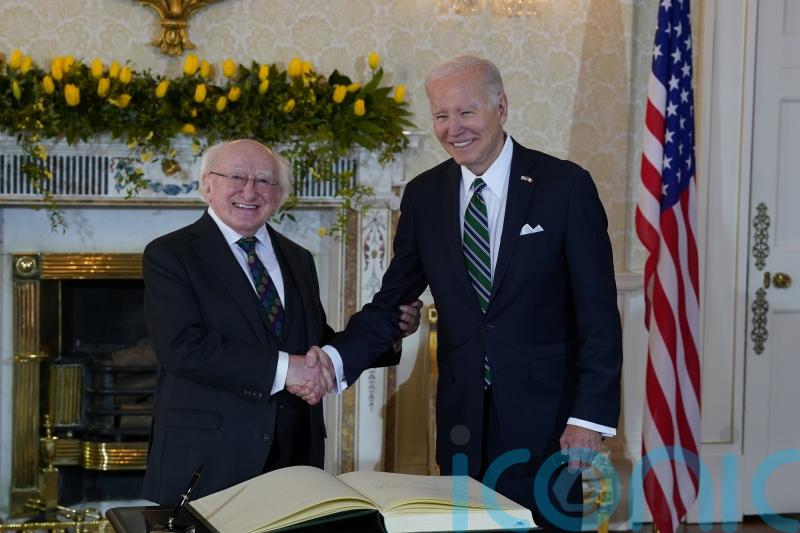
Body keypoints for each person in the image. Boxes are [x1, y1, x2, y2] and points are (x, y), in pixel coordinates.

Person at [307, 56, 622, 531]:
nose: (453, 128)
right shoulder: (424, 195)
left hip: (549, 424)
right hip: (461, 422)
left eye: (466, 112)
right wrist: (332, 360)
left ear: (501, 107)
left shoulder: (564, 186)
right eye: (441, 116)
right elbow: (393, 301)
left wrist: (590, 419)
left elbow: (598, 314)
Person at [140, 139, 422, 505]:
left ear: (279, 195)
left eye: (264, 181)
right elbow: (181, 348)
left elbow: (315, 343)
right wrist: (289, 370)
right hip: (209, 461)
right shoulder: (170, 254)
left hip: (293, 460)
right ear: (207, 184)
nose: (250, 191)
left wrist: (392, 332)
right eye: (237, 177)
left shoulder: (298, 258)